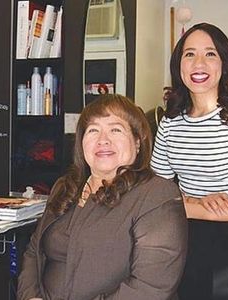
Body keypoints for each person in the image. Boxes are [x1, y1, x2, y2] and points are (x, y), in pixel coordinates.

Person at [18, 94, 188, 300]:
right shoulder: (65, 186)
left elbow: (150, 287)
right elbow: (33, 251)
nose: (103, 140)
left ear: (137, 142)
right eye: (93, 130)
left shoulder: (156, 194)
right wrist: (31, 297)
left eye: (115, 129)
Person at [151, 23, 228, 221]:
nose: (199, 63)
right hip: (180, 233)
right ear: (178, 65)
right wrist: (198, 201)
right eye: (189, 54)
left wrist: (184, 208)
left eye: (210, 54)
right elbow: (155, 192)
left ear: (224, 64)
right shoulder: (170, 122)